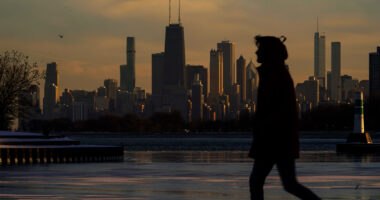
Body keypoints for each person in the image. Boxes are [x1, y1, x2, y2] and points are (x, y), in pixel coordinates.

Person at [249, 35, 321, 200]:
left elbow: (280, 110)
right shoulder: (274, 74)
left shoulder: (276, 75)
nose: (256, 51)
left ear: (268, 52)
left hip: (274, 140)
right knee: (285, 183)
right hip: (278, 140)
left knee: (259, 181)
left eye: (260, 48)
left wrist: (263, 126)